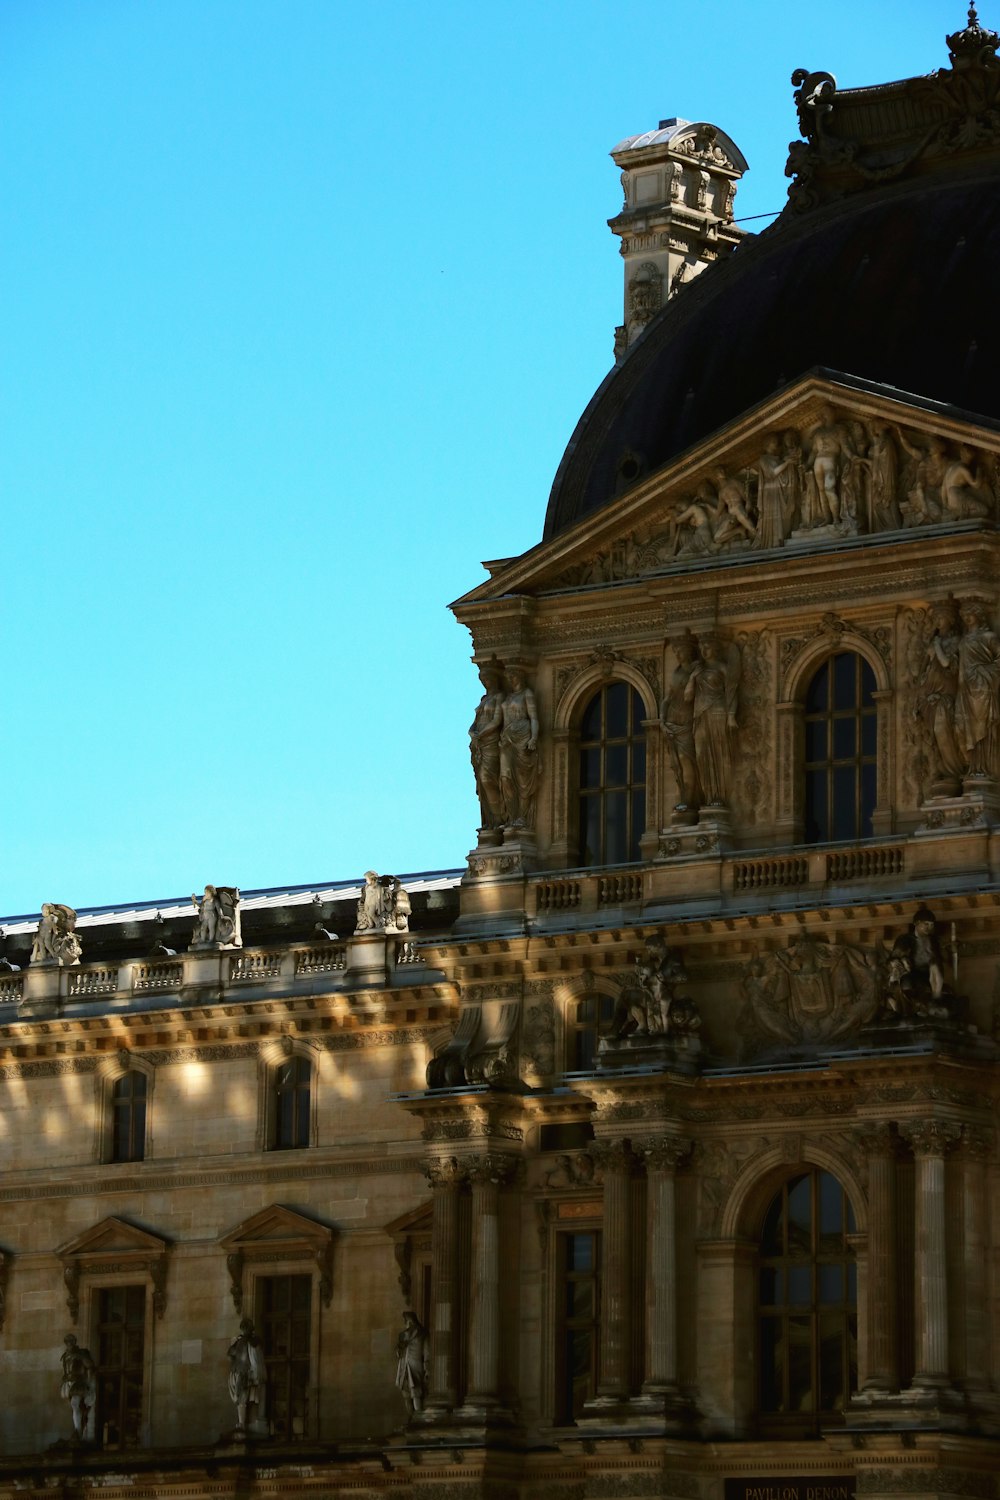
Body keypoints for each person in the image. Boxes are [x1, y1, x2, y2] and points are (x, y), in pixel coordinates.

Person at [685, 634, 739, 807]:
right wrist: (692, 678)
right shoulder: (697, 671)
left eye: (707, 646)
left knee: (719, 753)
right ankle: (709, 797)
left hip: (718, 712)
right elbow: (687, 697)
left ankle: (719, 797)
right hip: (700, 714)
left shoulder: (723, 668)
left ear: (715, 648)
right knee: (701, 755)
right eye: (701, 647)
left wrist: (731, 716)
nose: (703, 650)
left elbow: (731, 692)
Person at [955, 600, 1000, 777]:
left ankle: (985, 769)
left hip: (983, 689)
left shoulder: (989, 637)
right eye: (964, 614)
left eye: (970, 613)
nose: (967, 617)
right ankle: (973, 767)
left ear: (979, 615)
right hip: (965, 690)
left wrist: (984, 672)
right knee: (963, 728)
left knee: (984, 728)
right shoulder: (963, 640)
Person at [660, 632, 701, 814]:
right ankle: (683, 801)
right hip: (671, 723)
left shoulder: (696, 668)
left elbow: (689, 694)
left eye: (680, 650)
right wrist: (662, 720)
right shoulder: (676, 672)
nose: (677, 653)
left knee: (686, 761)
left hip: (686, 724)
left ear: (690, 651)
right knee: (676, 766)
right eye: (675, 650)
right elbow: (667, 698)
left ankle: (688, 801)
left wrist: (691, 680)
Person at [498, 667, 539, 830]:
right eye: (508, 677)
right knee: (505, 778)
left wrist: (534, 738)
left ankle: (522, 818)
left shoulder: (527, 694)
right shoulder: (508, 697)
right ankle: (511, 817)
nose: (510, 679)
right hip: (507, 739)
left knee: (523, 781)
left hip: (523, 737)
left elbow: (534, 718)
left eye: (513, 676)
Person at [468, 662, 505, 829]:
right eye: (483, 679)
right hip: (480, 744)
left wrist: (481, 734)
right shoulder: (484, 699)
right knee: (483, 782)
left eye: (488, 679)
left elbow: (497, 721)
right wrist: (472, 732)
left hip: (490, 741)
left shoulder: (499, 697)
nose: (485, 682)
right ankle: (491, 821)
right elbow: (476, 722)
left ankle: (500, 817)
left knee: (488, 778)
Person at [227, 1317, 266, 1433]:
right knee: (241, 1398)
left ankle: (243, 1423)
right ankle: (242, 1423)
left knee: (242, 1398)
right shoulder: (242, 1341)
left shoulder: (252, 1341)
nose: (244, 1330)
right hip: (240, 1372)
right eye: (244, 1328)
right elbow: (230, 1353)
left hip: (245, 1372)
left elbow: (232, 1353)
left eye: (246, 1328)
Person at [60, 1333, 97, 1442]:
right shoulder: (65, 1355)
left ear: (75, 1342)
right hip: (68, 1383)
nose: (70, 1343)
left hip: (79, 1382)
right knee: (75, 1406)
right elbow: (65, 1370)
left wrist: (89, 1383)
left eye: (71, 1341)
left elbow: (90, 1365)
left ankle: (78, 1429)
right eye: (67, 1341)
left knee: (75, 1404)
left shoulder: (82, 1353)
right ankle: (79, 1428)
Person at [394, 1311, 428, 1414]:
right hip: (404, 1366)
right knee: (406, 1393)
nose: (405, 1323)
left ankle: (417, 1417)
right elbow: (398, 1353)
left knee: (415, 1392)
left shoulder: (422, 1333)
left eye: (405, 1320)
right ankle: (411, 1418)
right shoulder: (403, 1335)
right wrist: (399, 1348)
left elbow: (427, 1352)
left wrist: (427, 1368)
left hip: (415, 1365)